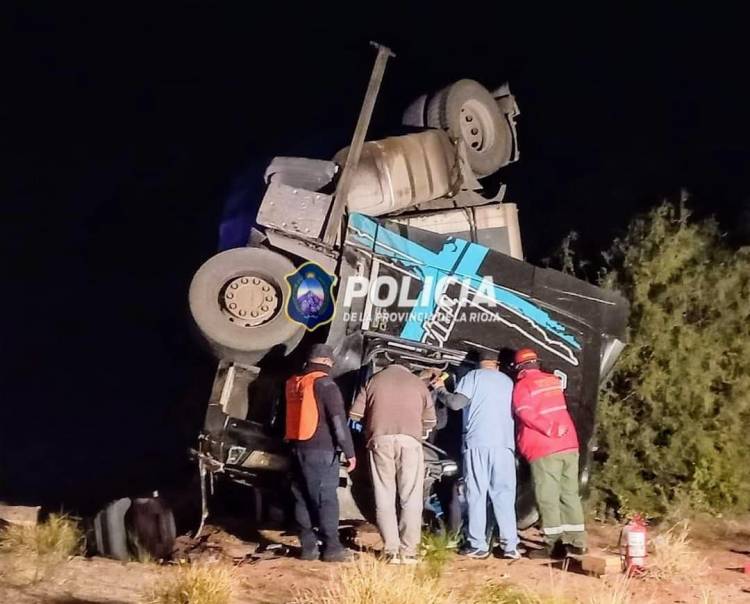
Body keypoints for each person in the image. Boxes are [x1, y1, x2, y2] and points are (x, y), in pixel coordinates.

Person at [433, 349, 520, 560]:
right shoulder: (508, 382)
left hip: (478, 443)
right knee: (504, 495)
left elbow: (456, 403)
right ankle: (510, 546)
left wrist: (440, 389)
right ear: (496, 364)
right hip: (505, 446)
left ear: (478, 364)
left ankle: (478, 544)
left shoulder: (472, 377)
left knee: (477, 493)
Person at [350, 361, 436, 565]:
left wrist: (370, 426)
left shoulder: (374, 381)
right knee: (410, 497)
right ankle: (409, 551)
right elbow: (431, 422)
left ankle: (391, 551)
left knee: (384, 495)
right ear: (408, 367)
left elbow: (354, 414)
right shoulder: (418, 383)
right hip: (410, 443)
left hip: (379, 441)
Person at [511, 348, 586, 558]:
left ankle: (554, 546)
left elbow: (525, 413)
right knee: (570, 494)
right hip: (569, 444)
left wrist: (548, 429)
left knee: (547, 497)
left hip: (545, 447)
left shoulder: (523, 386)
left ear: (519, 367)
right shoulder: (552, 381)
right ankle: (577, 542)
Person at [285, 343, 356, 562]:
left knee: (302, 499)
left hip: (296, 447)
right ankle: (332, 548)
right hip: (321, 450)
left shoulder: (294, 382)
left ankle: (308, 548)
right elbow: (338, 422)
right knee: (326, 499)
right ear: (325, 362)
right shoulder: (326, 385)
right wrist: (350, 452)